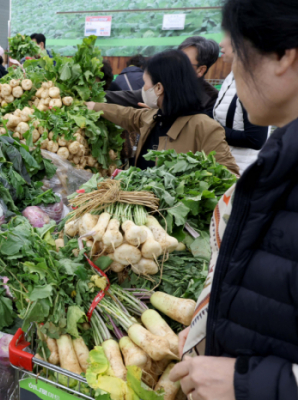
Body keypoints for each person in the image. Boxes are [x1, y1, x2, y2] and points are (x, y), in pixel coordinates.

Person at [170, 1, 298, 399]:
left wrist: (250, 383)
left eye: (230, 55)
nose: (232, 72)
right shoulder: (280, 161)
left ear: (282, 56)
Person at [87, 50, 239, 175]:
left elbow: (228, 177)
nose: (143, 89)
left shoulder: (204, 127)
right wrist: (92, 106)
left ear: (159, 88)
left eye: (145, 83)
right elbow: (127, 115)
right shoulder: (154, 116)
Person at [107, 36, 220, 117]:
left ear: (200, 70)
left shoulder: (212, 100)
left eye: (183, 62)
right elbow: (131, 96)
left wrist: (159, 114)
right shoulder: (167, 84)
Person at [212, 32, 268, 174]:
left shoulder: (252, 81)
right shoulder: (232, 76)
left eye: (226, 37)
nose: (220, 43)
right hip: (227, 166)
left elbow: (255, 139)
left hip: (242, 172)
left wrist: (212, 130)